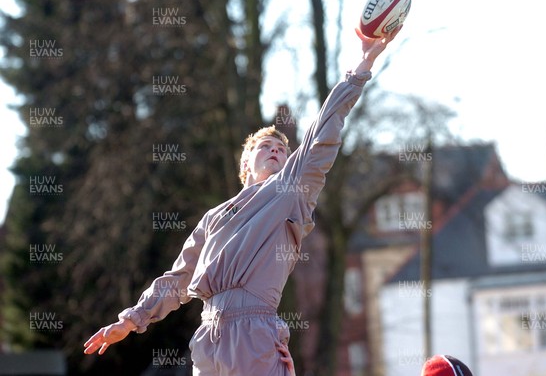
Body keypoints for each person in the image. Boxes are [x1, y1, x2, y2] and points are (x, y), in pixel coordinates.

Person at [83, 25, 401, 375]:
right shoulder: (213, 217)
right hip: (207, 340)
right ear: (245, 163)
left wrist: (360, 68)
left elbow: (320, 135)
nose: (277, 150)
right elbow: (177, 280)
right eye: (266, 146)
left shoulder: (290, 190)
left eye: (283, 148)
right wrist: (130, 320)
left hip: (254, 335)